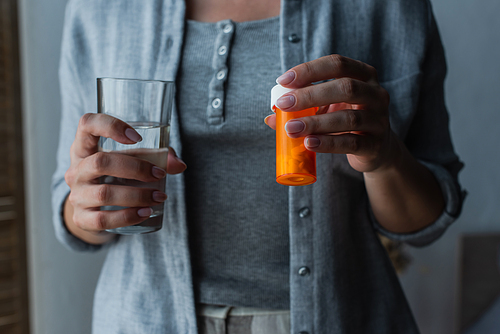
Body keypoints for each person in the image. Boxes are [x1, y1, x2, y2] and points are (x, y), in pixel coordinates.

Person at [51, 0, 465, 333]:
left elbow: (427, 221)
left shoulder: (392, 8)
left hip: (340, 317)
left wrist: (384, 158)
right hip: (143, 319)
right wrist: (87, 206)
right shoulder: (97, 9)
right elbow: (69, 201)